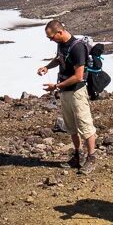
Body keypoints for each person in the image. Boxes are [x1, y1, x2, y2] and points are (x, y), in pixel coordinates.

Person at [37, 20, 98, 174]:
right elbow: (59, 59)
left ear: (60, 32)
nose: (51, 40)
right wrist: (47, 67)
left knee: (85, 125)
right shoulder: (62, 44)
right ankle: (78, 156)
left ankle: (91, 158)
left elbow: (78, 76)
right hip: (65, 92)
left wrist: (56, 86)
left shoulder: (77, 48)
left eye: (51, 37)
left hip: (77, 92)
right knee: (71, 126)